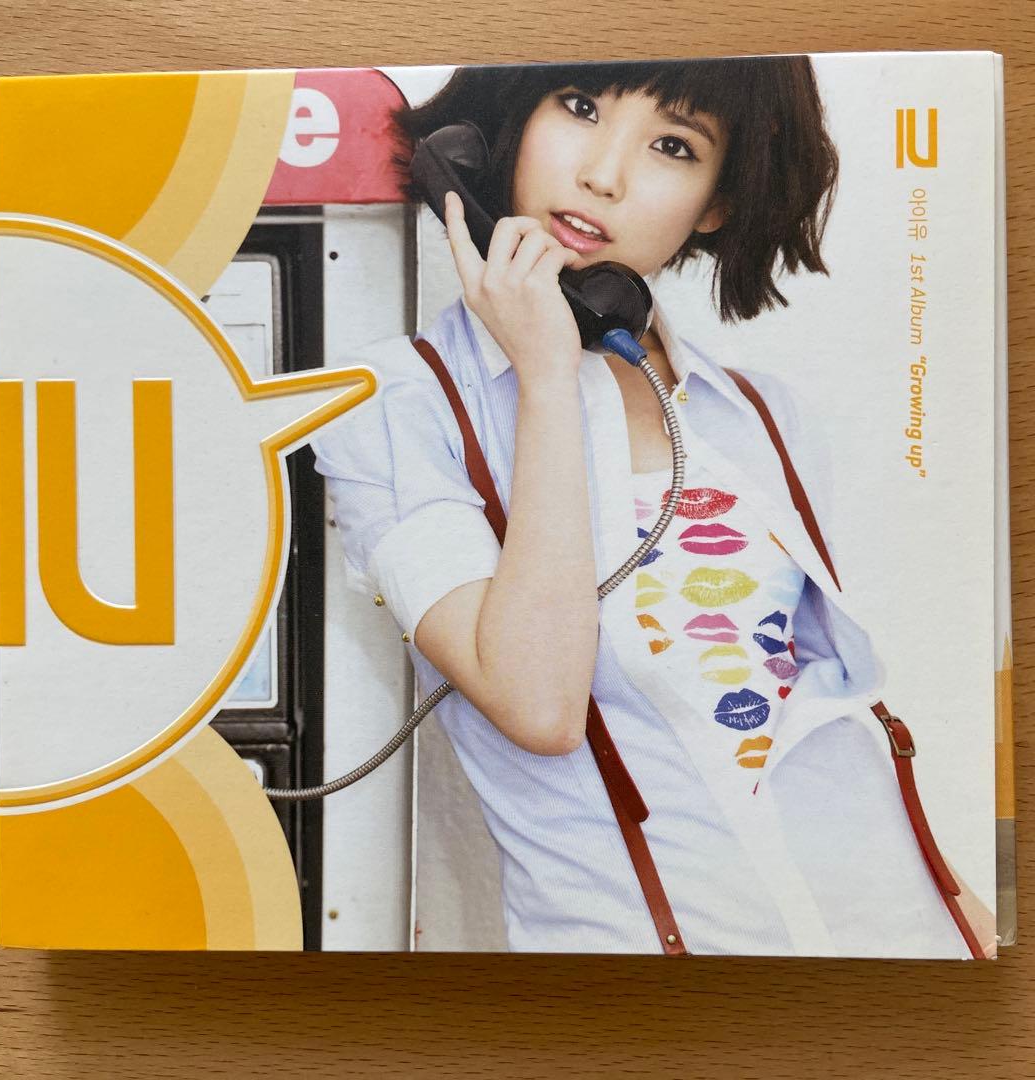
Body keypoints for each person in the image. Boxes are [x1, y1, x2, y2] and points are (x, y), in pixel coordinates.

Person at [307, 58, 994, 957]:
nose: (604, 174)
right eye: (580, 107)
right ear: (506, 123)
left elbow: (828, 713)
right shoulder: (398, 405)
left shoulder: (757, 413)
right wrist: (547, 375)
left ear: (717, 199)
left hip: (906, 942)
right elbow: (538, 705)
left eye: (673, 145)